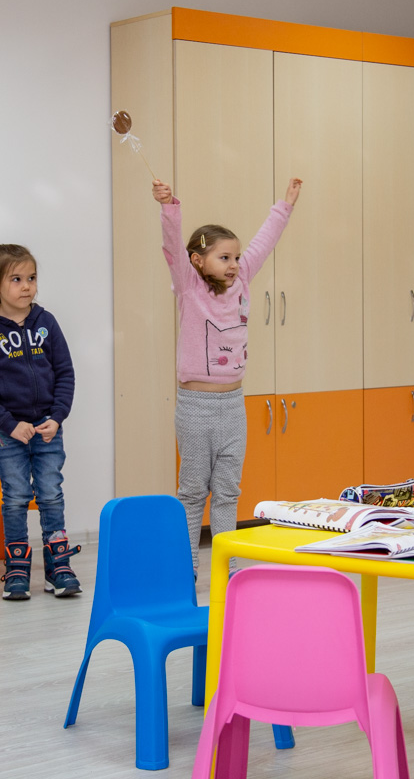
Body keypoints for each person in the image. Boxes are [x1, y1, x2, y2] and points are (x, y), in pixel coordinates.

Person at [153, 177, 303, 575]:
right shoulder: (189, 287)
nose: (234, 264)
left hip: (233, 407)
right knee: (192, 493)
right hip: (196, 408)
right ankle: (185, 570)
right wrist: (169, 207)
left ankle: (228, 569)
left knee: (227, 492)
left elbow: (264, 241)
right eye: (224, 258)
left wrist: (284, 206)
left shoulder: (243, 281)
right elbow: (172, 246)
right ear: (198, 261)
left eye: (236, 257)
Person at [0, 244, 80, 600]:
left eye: (31, 278)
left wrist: (57, 417)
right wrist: (8, 423)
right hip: (9, 433)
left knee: (51, 495)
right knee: (15, 497)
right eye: (16, 279)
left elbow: (65, 373)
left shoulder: (46, 323)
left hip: (47, 430)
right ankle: (17, 567)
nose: (27, 286)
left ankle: (58, 566)